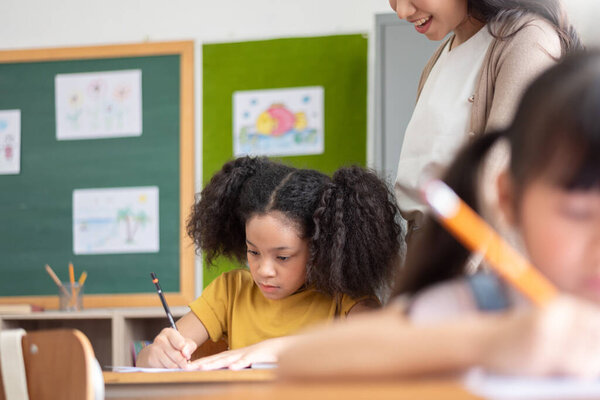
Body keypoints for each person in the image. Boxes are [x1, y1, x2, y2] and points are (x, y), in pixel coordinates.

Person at [278, 51, 600, 379]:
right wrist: (494, 340)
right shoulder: (483, 305)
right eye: (578, 213)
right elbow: (301, 360)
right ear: (508, 198)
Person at [137, 156, 402, 370]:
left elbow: (382, 345)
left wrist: (274, 349)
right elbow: (149, 358)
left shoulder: (344, 296)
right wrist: (155, 355)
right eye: (253, 252)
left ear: (319, 247)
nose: (264, 270)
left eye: (283, 257)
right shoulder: (231, 291)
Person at [391, 0, 582, 248]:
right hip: (431, 257)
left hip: (472, 263)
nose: (401, 11)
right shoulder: (439, 57)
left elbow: (500, 186)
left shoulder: (527, 39)